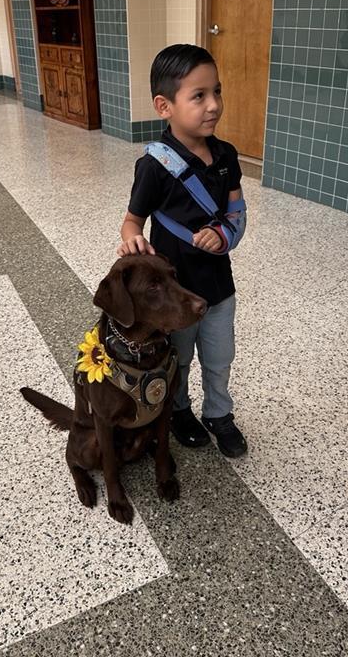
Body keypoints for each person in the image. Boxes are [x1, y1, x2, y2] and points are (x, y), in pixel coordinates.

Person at [117, 44, 247, 458]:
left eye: (217, 91)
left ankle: (219, 414)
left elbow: (237, 213)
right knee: (179, 357)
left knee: (220, 357)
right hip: (176, 295)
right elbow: (132, 221)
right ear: (164, 106)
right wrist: (132, 240)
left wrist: (224, 235)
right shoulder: (154, 166)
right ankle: (178, 410)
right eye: (199, 96)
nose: (214, 105)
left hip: (219, 285)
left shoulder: (226, 156)